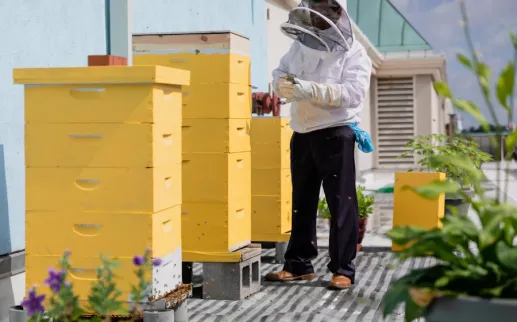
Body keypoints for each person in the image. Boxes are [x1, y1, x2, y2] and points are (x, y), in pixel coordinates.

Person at [265, 0, 373, 290]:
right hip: (301, 131)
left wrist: (310, 89)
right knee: (301, 202)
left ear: (340, 12)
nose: (322, 11)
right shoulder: (301, 44)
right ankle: (299, 265)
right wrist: (281, 84)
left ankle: (343, 270)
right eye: (318, 5)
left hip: (336, 132)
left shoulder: (355, 53)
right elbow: (281, 70)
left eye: (329, 7)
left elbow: (353, 93)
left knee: (341, 203)